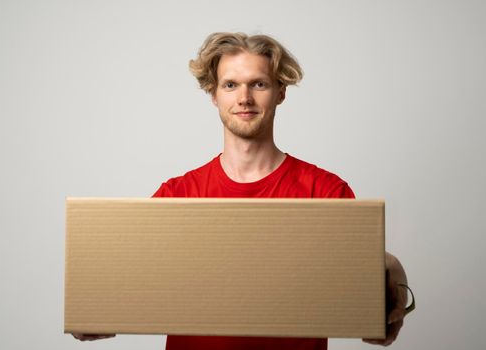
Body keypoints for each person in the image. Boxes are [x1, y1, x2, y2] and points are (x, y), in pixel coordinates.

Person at [72, 32, 412, 349]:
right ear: (214, 94)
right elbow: (129, 279)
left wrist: (388, 268)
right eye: (231, 84)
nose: (244, 98)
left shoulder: (326, 191)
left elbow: (358, 295)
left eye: (259, 84)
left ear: (280, 91)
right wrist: (93, 305)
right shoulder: (177, 195)